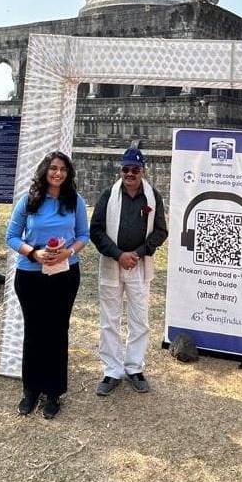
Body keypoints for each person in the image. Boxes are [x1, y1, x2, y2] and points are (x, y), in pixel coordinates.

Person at [5, 151, 90, 419]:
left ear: (69, 173)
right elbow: (11, 236)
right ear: (45, 171)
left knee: (56, 331)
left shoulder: (74, 201)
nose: (58, 173)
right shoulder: (29, 201)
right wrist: (33, 253)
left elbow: (83, 235)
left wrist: (69, 252)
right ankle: (31, 389)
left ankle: (53, 392)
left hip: (64, 274)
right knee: (34, 332)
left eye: (63, 169)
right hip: (31, 274)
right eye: (53, 168)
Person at [90, 146, 168, 396]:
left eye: (135, 169)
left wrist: (140, 252)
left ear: (143, 170)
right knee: (109, 320)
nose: (130, 173)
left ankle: (134, 367)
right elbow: (97, 230)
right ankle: (112, 370)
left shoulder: (152, 196)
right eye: (126, 169)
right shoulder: (108, 195)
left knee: (139, 319)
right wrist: (118, 254)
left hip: (138, 264)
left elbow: (160, 231)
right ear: (121, 171)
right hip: (113, 263)